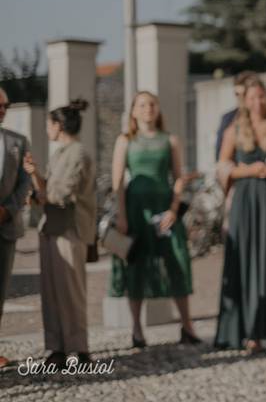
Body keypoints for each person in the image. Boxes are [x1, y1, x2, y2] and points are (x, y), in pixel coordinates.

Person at [109, 91, 199, 348]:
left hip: (164, 210)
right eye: (142, 104)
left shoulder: (170, 140)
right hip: (136, 210)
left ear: (158, 109)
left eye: (152, 104)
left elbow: (179, 178)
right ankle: (137, 330)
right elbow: (117, 183)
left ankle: (187, 326)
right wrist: (122, 215)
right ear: (134, 111)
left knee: (177, 261)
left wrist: (173, 210)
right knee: (136, 266)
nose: (148, 108)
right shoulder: (125, 140)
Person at [215, 78, 266, 351]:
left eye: (261, 96)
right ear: (245, 101)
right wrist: (252, 170)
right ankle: (248, 331)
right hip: (246, 203)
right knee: (246, 261)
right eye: (252, 98)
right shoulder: (234, 129)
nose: (257, 102)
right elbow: (224, 167)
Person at [23, 100, 95, 367]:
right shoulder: (60, 153)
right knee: (52, 291)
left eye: (49, 123)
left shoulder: (78, 153)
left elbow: (62, 194)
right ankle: (57, 347)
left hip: (70, 229)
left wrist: (37, 194)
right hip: (52, 227)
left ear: (59, 125)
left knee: (71, 291)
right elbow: (48, 190)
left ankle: (80, 348)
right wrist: (35, 178)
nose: (47, 129)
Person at [0, 85, 31, 369]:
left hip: (5, 228)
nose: (2, 110)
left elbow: (25, 183)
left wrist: (7, 210)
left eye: (5, 106)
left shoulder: (18, 142)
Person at [215, 71, 260, 163]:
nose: (240, 98)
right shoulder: (229, 119)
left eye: (243, 94)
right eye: (237, 94)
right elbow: (220, 157)